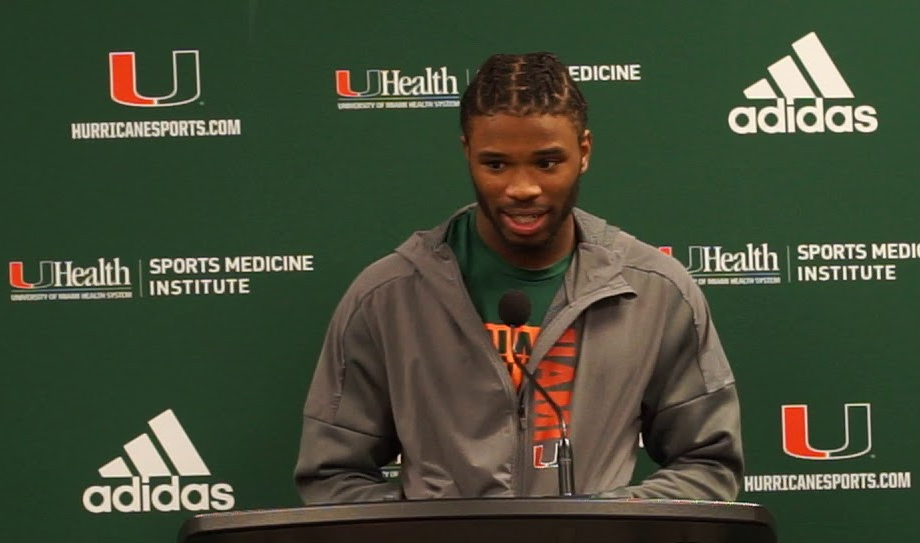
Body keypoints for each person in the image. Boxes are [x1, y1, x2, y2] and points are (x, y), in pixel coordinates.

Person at [295, 52, 741, 503]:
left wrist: (613, 521)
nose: (522, 187)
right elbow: (332, 475)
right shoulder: (387, 295)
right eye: (496, 165)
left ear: (583, 152)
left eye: (547, 163)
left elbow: (707, 463)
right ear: (467, 152)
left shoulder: (653, 290)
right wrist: (428, 535)